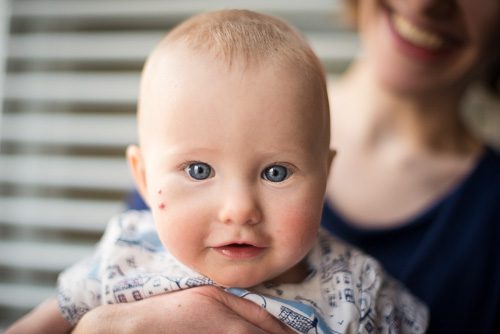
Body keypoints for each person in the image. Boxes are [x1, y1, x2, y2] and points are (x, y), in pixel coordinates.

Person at [70, 1, 500, 333]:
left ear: (326, 173)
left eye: (276, 173)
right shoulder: (132, 246)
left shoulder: (363, 288)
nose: (238, 209)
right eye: (200, 171)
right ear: (142, 178)